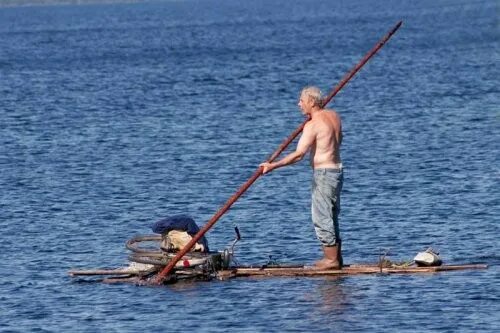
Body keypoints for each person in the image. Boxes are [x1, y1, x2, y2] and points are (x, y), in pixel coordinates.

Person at [260, 86, 344, 269]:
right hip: (337, 171)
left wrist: (273, 166)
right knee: (331, 214)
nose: (299, 104)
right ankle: (337, 259)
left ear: (312, 102)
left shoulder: (312, 125)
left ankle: (331, 260)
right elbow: (337, 139)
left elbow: (299, 155)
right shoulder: (334, 116)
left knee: (321, 216)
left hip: (323, 174)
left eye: (302, 101)